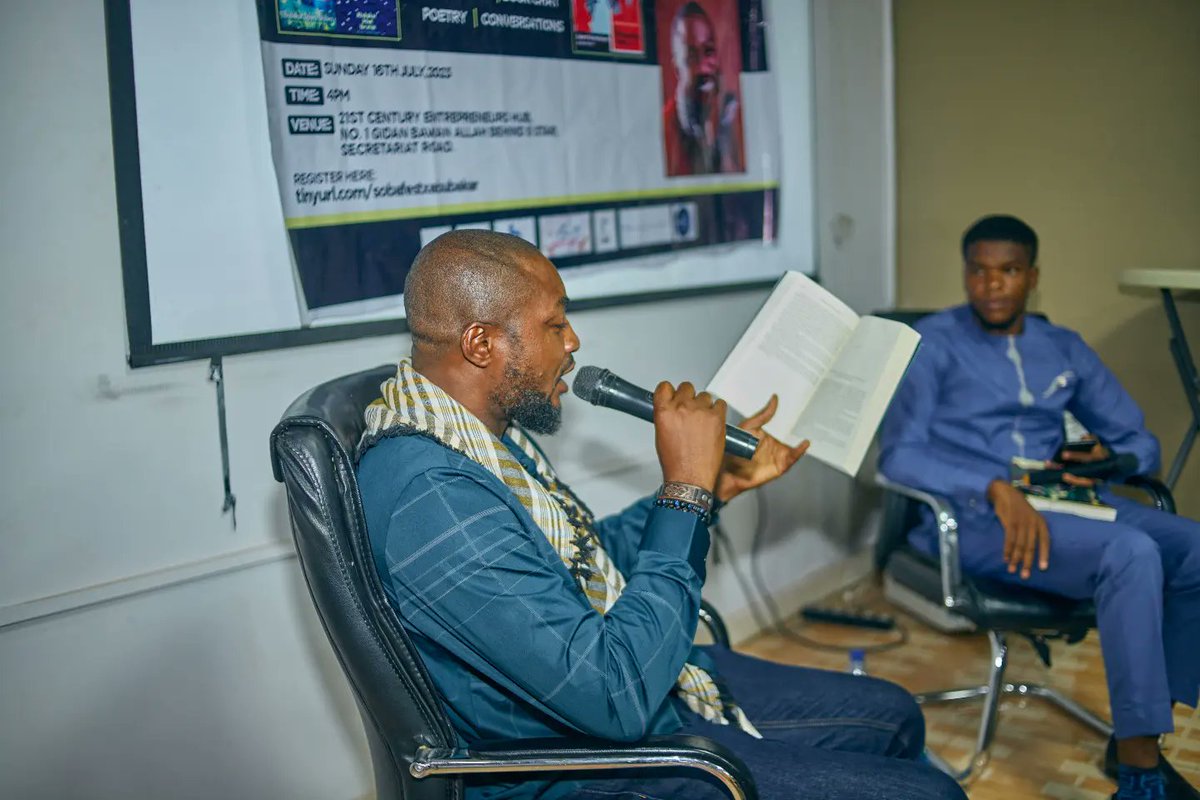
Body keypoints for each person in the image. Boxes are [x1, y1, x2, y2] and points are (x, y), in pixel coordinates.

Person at [357, 229, 965, 800]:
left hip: (633, 693)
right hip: (579, 763)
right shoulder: (432, 496)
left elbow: (586, 560)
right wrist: (684, 494)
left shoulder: (480, 437)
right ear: (482, 343)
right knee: (932, 792)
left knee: (894, 713)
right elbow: (613, 696)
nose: (573, 343)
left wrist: (712, 487)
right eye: (554, 323)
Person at [879, 215, 1200, 800]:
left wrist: (1112, 460)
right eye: (978, 271)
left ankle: (1140, 731)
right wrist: (991, 486)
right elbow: (899, 456)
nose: (991, 284)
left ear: (1032, 276)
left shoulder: (1064, 347)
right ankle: (1139, 772)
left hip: (1067, 503)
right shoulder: (934, 344)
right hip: (977, 520)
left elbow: (1141, 441)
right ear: (965, 274)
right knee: (1132, 552)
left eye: (1008, 271)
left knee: (1193, 547)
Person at [661, 1, 745, 177]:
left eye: (708, 51)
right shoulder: (664, 129)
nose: (703, 66)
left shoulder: (737, 118)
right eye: (691, 56)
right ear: (677, 69)